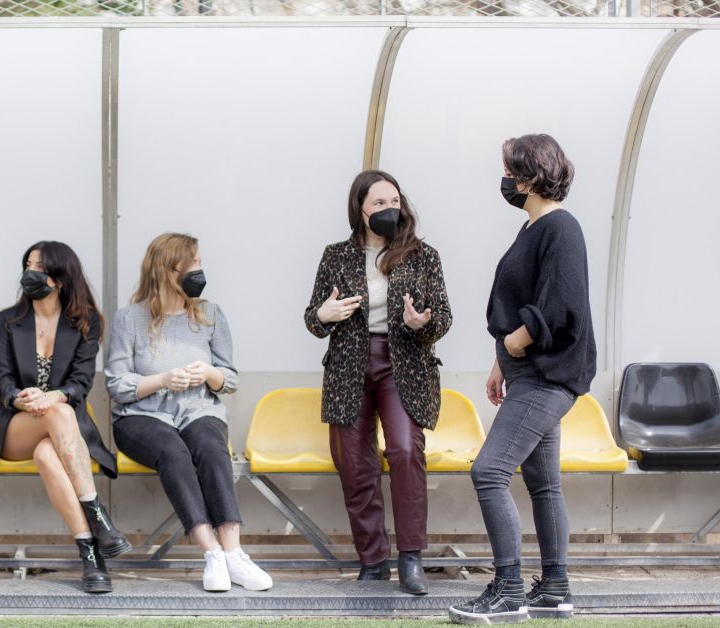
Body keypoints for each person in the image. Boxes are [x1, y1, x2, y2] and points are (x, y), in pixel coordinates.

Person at [448, 134, 595, 624]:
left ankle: (509, 588)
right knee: (543, 483)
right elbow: (524, 299)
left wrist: (517, 342)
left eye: (510, 171)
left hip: (545, 377)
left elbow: (562, 302)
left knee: (488, 471)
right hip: (526, 373)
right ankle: (554, 590)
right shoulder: (532, 229)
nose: (505, 180)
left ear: (531, 176)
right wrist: (500, 360)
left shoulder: (561, 228)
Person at [304, 170, 452, 595]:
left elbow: (443, 317)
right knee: (355, 463)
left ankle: (410, 558)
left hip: (402, 364)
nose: (389, 209)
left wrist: (419, 323)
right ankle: (372, 560)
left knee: (405, 449)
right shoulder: (336, 255)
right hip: (348, 367)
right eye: (379, 203)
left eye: (394, 201)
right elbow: (313, 318)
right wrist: (323, 316)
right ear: (360, 210)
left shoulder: (423, 255)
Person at [105, 233, 272, 593]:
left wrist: (208, 374)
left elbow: (228, 379)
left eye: (200, 262)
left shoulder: (211, 314)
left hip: (198, 409)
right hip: (141, 417)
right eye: (193, 263)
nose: (199, 270)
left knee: (213, 448)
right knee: (172, 452)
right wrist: (163, 379)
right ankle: (210, 551)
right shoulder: (128, 319)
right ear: (167, 269)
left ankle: (233, 553)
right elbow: (116, 384)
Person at [0, 241, 129, 594]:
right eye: (28, 265)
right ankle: (98, 514)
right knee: (54, 414)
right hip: (15, 427)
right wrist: (23, 399)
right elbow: (4, 382)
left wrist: (52, 396)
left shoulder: (86, 322)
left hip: (61, 428)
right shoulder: (8, 322)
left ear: (60, 275)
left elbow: (81, 384)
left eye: (40, 267)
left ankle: (90, 553)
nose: (32, 273)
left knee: (47, 450)